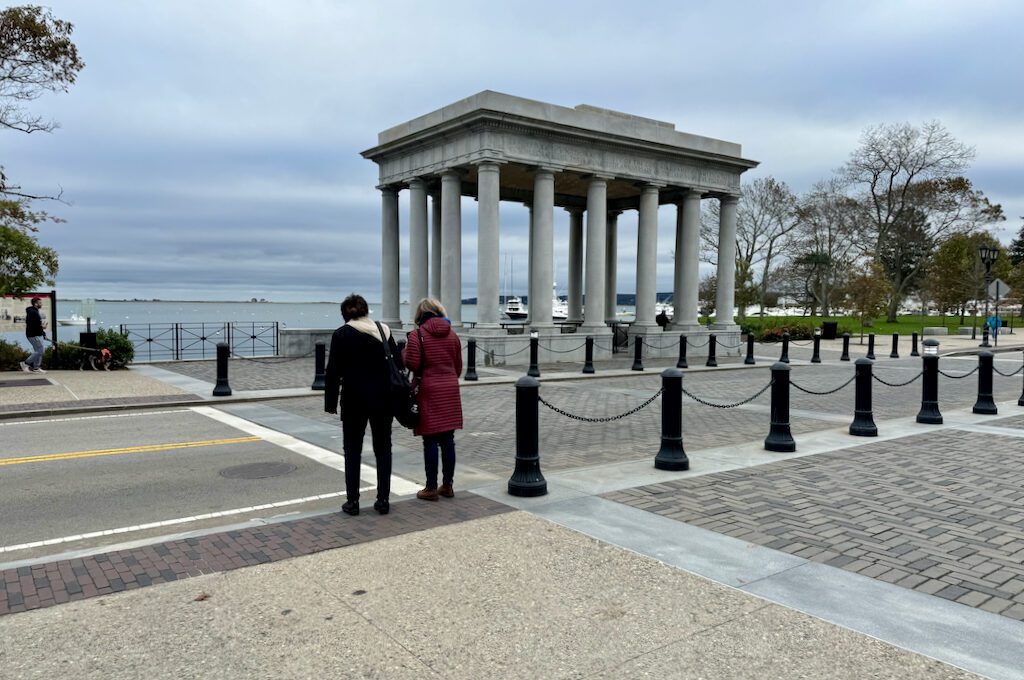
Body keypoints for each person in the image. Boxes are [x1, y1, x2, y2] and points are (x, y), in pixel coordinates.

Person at [324, 293, 397, 516]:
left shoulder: (342, 334)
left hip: (354, 399)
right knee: (383, 449)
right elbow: (398, 362)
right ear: (366, 310)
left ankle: (353, 501)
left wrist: (330, 402)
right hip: (383, 398)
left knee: (353, 450)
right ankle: (383, 499)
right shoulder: (383, 331)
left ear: (344, 314)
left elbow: (333, 371)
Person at [403, 298, 463, 501]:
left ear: (420, 314)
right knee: (448, 440)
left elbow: (412, 363)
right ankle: (447, 485)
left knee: (430, 439)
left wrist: (404, 353)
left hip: (429, 389)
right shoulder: (453, 335)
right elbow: (458, 367)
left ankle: (430, 487)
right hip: (450, 389)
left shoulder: (417, 334)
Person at [20, 297, 48, 374]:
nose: (41, 304)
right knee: (40, 350)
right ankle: (25, 363)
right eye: (40, 303)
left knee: (38, 351)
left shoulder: (34, 311)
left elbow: (37, 325)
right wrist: (43, 327)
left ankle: (36, 368)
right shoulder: (33, 312)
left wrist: (43, 334)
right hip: (33, 335)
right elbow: (32, 325)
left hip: (38, 334)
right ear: (36, 304)